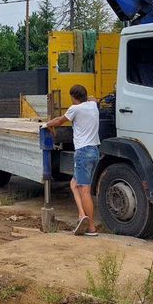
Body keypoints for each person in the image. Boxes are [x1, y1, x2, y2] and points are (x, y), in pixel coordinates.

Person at [44, 84, 100, 236]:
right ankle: (82, 214)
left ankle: (91, 227)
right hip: (95, 151)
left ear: (73, 97)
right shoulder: (93, 106)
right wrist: (87, 97)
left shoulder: (75, 109)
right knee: (74, 184)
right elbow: (93, 99)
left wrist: (47, 124)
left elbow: (59, 121)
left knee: (85, 189)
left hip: (83, 152)